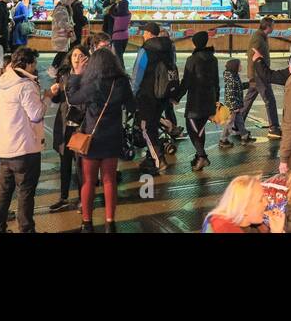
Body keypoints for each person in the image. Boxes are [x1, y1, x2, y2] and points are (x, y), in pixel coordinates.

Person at [75, 44, 137, 232]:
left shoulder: (91, 83)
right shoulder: (121, 82)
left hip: (92, 138)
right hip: (113, 136)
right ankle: (110, 222)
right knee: (109, 180)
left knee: (88, 181)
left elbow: (74, 99)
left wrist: (77, 75)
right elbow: (132, 106)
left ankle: (87, 222)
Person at [0, 46, 46, 233]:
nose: (36, 66)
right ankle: (26, 230)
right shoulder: (25, 85)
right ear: (28, 64)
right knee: (25, 192)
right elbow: (36, 114)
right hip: (24, 148)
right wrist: (46, 96)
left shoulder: (3, 81)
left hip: (5, 148)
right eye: (35, 63)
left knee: (3, 192)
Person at [132, 21, 178, 174]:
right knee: (153, 124)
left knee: (146, 128)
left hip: (147, 94)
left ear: (148, 34)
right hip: (164, 94)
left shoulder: (145, 49)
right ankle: (151, 158)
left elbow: (138, 73)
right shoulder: (168, 47)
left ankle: (159, 161)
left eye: (144, 32)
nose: (143, 35)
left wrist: (133, 92)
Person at [46, 45, 88, 212]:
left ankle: (82, 198)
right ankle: (63, 197)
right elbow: (58, 101)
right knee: (64, 162)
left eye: (80, 55)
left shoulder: (90, 76)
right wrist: (54, 93)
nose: (77, 58)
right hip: (64, 124)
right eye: (74, 55)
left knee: (80, 164)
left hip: (81, 125)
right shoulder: (64, 75)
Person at [179, 30, 219, 172]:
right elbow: (216, 81)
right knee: (200, 129)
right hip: (209, 100)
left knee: (192, 129)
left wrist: (176, 97)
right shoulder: (213, 59)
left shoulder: (192, 60)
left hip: (195, 101)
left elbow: (186, 81)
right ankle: (199, 157)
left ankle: (202, 156)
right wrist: (217, 100)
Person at [242, 17, 282, 140]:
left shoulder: (260, 37)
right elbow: (254, 59)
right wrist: (255, 75)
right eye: (273, 26)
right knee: (269, 100)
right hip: (260, 75)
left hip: (258, 75)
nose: (274, 28)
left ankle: (237, 124)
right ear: (268, 26)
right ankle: (274, 128)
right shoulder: (258, 39)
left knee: (249, 99)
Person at [202, 175, 275, 232]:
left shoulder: (258, 226)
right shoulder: (223, 229)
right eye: (260, 200)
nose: (266, 203)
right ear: (244, 209)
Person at [219, 57, 248, 146]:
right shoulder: (232, 79)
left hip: (236, 105)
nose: (241, 67)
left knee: (240, 121)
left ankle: (245, 136)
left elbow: (239, 87)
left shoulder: (235, 76)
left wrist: (249, 84)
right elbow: (231, 94)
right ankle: (223, 140)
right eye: (240, 65)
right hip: (233, 106)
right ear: (235, 67)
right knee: (230, 122)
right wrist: (234, 107)